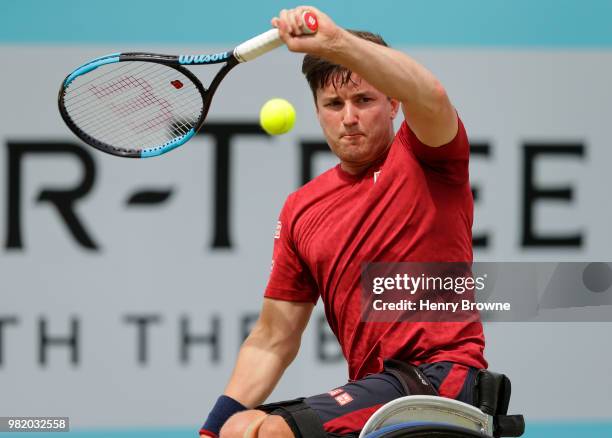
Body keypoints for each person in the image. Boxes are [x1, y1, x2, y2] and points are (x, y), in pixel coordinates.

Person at [199, 5, 487, 438]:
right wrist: (210, 429)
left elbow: (431, 94)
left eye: (364, 100)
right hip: (376, 390)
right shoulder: (302, 208)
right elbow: (272, 339)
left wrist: (335, 41)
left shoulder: (427, 155)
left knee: (274, 432)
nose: (348, 117)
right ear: (317, 112)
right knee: (238, 428)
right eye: (333, 104)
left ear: (393, 104)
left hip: (444, 381)